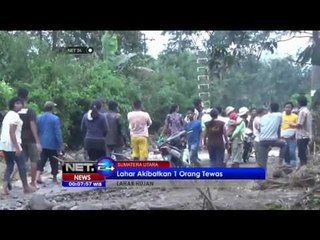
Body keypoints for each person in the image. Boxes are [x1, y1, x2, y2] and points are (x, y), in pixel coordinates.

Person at [0, 97, 36, 194]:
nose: (21, 105)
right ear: (14, 104)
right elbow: (12, 132)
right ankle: (26, 187)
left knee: (10, 165)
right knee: (22, 165)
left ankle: (5, 187)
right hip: (12, 144)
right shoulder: (15, 116)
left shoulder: (8, 115)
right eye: (19, 103)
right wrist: (17, 147)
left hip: (4, 144)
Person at [17, 88, 42, 188]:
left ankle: (24, 183)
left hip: (19, 139)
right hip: (31, 139)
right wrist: (37, 141)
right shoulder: (30, 111)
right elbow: (32, 125)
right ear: (27, 96)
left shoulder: (14, 111)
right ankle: (33, 182)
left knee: (21, 162)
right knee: (33, 161)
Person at [36, 101, 64, 184]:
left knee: (41, 160)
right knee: (54, 161)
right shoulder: (55, 118)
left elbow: (37, 130)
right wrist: (61, 145)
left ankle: (38, 176)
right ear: (52, 108)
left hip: (41, 143)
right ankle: (54, 177)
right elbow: (57, 133)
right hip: (52, 144)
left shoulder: (39, 117)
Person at [258, 103, 287, 170]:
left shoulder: (263, 117)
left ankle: (262, 177)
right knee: (284, 144)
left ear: (270, 109)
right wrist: (278, 137)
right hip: (273, 139)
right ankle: (280, 161)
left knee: (263, 160)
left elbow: (259, 129)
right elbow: (279, 127)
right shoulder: (279, 115)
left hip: (262, 140)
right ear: (278, 108)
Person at [289, 95, 312, 166]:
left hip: (302, 136)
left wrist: (292, 124)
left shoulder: (302, 112)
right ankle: (304, 168)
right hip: (306, 135)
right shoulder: (307, 111)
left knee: (301, 154)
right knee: (303, 153)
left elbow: (299, 124)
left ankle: (303, 169)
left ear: (299, 103)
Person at [281, 102, 298, 167]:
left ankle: (293, 164)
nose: (288, 109)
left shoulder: (295, 116)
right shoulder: (281, 116)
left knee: (292, 150)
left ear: (292, 108)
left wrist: (294, 135)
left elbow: (298, 127)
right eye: (286, 107)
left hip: (292, 137)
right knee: (285, 151)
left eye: (289, 107)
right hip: (283, 136)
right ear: (284, 108)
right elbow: (279, 126)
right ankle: (287, 164)